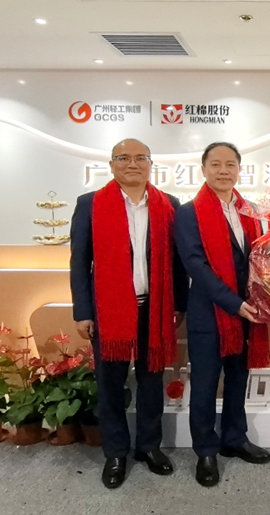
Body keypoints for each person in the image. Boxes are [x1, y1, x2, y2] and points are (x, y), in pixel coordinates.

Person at [70, 138, 188, 490]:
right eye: (123, 157)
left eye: (140, 158)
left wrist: (178, 303)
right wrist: (83, 311)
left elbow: (177, 262)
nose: (132, 164)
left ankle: (149, 447)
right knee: (110, 385)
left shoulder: (168, 205)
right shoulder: (90, 204)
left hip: (155, 308)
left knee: (152, 382)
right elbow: (80, 262)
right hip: (109, 311)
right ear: (111, 165)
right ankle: (116, 453)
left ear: (151, 164)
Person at [174, 142, 270, 488]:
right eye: (215, 164)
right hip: (209, 314)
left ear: (239, 170)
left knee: (237, 380)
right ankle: (205, 450)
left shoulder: (251, 211)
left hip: (247, 314)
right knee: (204, 385)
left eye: (230, 164)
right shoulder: (188, 213)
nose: (223, 170)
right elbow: (196, 266)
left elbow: (260, 259)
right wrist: (233, 303)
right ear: (203, 170)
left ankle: (235, 438)